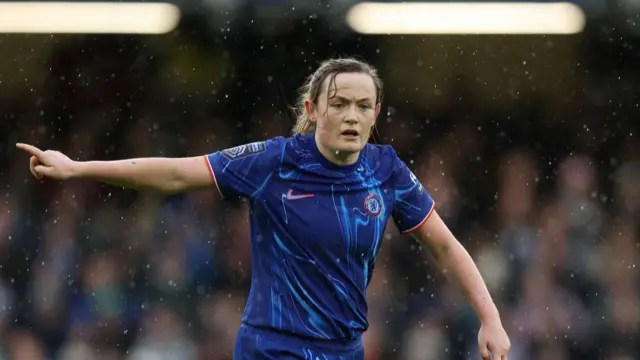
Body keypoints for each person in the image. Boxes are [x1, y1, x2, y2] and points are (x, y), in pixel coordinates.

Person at [16, 57, 510, 360]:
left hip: (344, 351)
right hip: (273, 348)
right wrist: (80, 167)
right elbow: (174, 172)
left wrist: (490, 318)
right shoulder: (274, 162)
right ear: (313, 109)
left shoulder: (387, 171)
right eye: (339, 104)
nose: (352, 116)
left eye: (364, 106)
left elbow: (445, 247)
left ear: (376, 113)